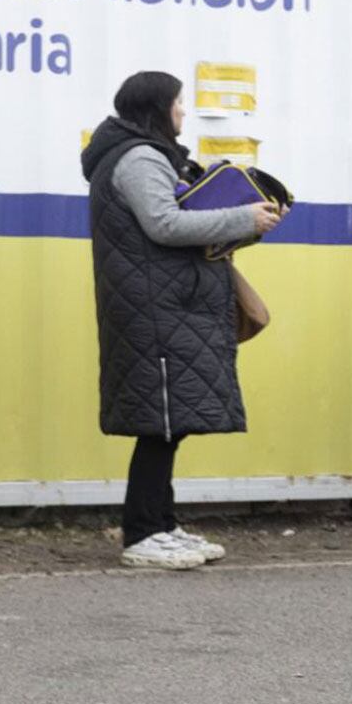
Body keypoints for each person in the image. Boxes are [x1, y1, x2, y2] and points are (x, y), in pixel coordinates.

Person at [81, 71, 281, 570]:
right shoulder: (140, 157)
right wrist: (243, 220)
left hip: (165, 304)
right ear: (157, 108)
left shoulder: (144, 154)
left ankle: (162, 524)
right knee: (161, 424)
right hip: (155, 308)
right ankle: (143, 532)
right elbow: (164, 224)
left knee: (169, 423)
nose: (183, 113)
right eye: (178, 104)